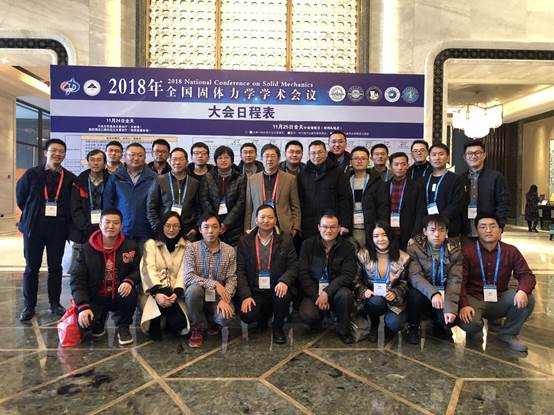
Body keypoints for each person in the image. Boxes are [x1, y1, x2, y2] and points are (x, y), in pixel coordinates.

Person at [16, 138, 77, 321]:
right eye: (53, 150)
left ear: (64, 155)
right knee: (31, 267)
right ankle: (29, 306)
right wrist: (32, 214)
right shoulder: (32, 174)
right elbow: (21, 198)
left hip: (58, 228)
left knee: (55, 267)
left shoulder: (69, 178)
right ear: (45, 153)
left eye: (61, 151)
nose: (57, 154)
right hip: (34, 228)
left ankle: (55, 303)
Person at [459, 213, 536, 352]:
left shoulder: (511, 251)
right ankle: (475, 331)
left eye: (492, 226)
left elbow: (527, 275)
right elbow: (459, 281)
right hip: (473, 298)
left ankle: (508, 334)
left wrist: (522, 291)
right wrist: (464, 305)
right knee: (470, 323)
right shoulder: (467, 251)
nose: (488, 230)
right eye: (483, 227)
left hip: (500, 298)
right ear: (477, 231)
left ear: (500, 230)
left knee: (528, 299)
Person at [70, 209, 139, 345]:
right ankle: (99, 319)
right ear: (100, 225)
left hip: (119, 293)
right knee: (85, 325)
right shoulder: (86, 249)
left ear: (121, 226)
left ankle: (123, 326)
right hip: (96, 295)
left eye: (116, 223)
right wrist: (83, 306)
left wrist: (129, 281)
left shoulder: (130, 246)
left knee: (130, 293)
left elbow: (137, 270)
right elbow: (77, 280)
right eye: (107, 222)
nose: (111, 226)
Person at [237, 205, 297, 344]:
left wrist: (284, 281)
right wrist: (246, 295)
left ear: (275, 220)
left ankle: (277, 328)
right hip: (255, 289)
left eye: (270, 217)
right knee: (247, 315)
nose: (266, 220)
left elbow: (294, 265)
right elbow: (240, 270)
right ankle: (262, 319)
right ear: (256, 220)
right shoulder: (245, 241)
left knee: (282, 294)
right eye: (262, 217)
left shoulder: (285, 239)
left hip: (277, 286)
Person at [298, 212, 356, 344]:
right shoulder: (308, 245)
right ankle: (317, 319)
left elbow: (347, 275)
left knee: (345, 295)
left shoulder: (347, 247)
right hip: (314, 291)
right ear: (319, 227)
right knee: (307, 315)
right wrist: (316, 296)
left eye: (332, 227)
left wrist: (326, 292)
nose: (328, 230)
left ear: (339, 228)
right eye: (325, 227)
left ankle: (343, 330)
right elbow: (303, 273)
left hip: (336, 291)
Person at [405, 214, 462, 344]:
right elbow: (415, 276)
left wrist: (450, 308)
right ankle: (413, 327)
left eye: (441, 230)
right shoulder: (414, 247)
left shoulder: (455, 250)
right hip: (423, 292)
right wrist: (433, 293)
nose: (437, 234)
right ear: (425, 231)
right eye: (432, 230)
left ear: (446, 232)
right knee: (414, 295)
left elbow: (455, 280)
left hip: (443, 293)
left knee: (450, 320)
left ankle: (439, 325)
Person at [184, 213, 237, 348]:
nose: (210, 231)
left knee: (226, 317)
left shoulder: (229, 251)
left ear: (220, 229)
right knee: (193, 290)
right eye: (206, 227)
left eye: (214, 227)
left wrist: (225, 299)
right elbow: (189, 276)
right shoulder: (191, 248)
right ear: (200, 230)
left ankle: (212, 321)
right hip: (199, 294)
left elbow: (232, 278)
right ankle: (198, 327)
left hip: (218, 297)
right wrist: (214, 284)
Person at [354, 221, 410, 342]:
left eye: (384, 235)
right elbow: (356, 280)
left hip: (394, 301)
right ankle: (374, 325)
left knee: (395, 324)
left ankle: (388, 328)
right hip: (373, 298)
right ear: (371, 238)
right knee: (376, 302)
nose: (380, 239)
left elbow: (405, 284)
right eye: (376, 236)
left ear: (390, 236)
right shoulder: (363, 255)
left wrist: (395, 293)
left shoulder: (403, 257)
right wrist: (364, 291)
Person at [140, 212, 190, 340]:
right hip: (153, 292)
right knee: (164, 291)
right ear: (162, 226)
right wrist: (157, 293)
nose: (171, 229)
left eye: (175, 226)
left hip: (176, 294)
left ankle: (167, 319)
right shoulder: (151, 244)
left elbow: (184, 271)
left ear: (180, 227)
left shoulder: (187, 246)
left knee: (179, 324)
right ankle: (156, 322)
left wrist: (177, 292)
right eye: (168, 225)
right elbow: (147, 269)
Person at [103, 142, 157, 255]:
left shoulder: (154, 178)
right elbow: (108, 203)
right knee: (122, 262)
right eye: (132, 155)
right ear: (125, 157)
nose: (136, 158)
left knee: (146, 263)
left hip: (146, 231)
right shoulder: (116, 177)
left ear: (145, 158)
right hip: (122, 231)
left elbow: (158, 204)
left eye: (140, 155)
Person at [297, 140, 352, 239]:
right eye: (313, 153)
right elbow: (298, 202)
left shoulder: (338, 173)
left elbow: (345, 200)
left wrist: (345, 224)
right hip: (308, 226)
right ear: (308, 155)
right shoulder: (302, 175)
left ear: (326, 153)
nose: (317, 156)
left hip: (331, 225)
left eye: (320, 152)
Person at [244, 143, 301, 236]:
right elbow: (249, 208)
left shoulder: (290, 179)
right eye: (266, 156)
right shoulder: (252, 180)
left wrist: (295, 228)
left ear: (278, 159)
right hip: (258, 225)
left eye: (273, 156)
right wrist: (247, 229)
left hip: (284, 227)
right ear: (261, 159)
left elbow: (295, 207)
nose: (269, 159)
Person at [69, 149, 109, 273]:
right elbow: (75, 207)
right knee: (79, 267)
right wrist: (85, 226)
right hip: (83, 229)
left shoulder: (111, 180)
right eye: (92, 160)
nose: (95, 163)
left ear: (105, 163)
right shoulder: (79, 181)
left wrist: (104, 225)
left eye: (99, 160)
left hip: (105, 228)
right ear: (88, 162)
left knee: (102, 266)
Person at [147, 147, 200, 241]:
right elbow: (151, 207)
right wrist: (158, 228)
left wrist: (195, 228)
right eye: (174, 159)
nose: (177, 162)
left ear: (187, 162)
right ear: (170, 161)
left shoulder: (194, 183)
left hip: (187, 231)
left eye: (181, 159)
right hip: (165, 229)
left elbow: (199, 209)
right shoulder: (160, 180)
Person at [461, 140, 511, 238]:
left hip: (489, 232)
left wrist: (499, 226)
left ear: (484, 155)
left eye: (477, 153)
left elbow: (504, 204)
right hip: (465, 231)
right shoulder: (460, 179)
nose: (473, 156)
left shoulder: (496, 177)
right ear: (465, 157)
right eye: (470, 153)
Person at [199, 145, 246, 246]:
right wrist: (215, 221)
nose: (223, 160)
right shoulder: (208, 177)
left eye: (226, 157)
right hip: (212, 225)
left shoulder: (240, 178)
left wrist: (226, 223)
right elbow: (204, 199)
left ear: (232, 160)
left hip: (234, 226)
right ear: (215, 161)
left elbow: (240, 202)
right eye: (220, 158)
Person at [348, 146, 389, 249]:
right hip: (349, 229)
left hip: (371, 229)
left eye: (363, 158)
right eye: (356, 158)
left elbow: (383, 207)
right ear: (351, 161)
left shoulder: (377, 182)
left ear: (368, 161)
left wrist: (381, 228)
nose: (359, 161)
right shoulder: (344, 180)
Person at [423, 143, 465, 237]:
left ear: (448, 158)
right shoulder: (424, 179)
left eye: (441, 154)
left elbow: (457, 203)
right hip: (428, 227)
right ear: (429, 158)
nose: (437, 158)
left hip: (449, 226)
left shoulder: (456, 179)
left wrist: (440, 220)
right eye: (434, 155)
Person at [386, 152, 425, 250]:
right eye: (396, 164)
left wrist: (414, 235)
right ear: (390, 166)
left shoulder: (416, 187)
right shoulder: (384, 186)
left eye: (403, 164)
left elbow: (420, 212)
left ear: (408, 165)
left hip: (408, 234)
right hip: (388, 233)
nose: (400, 168)